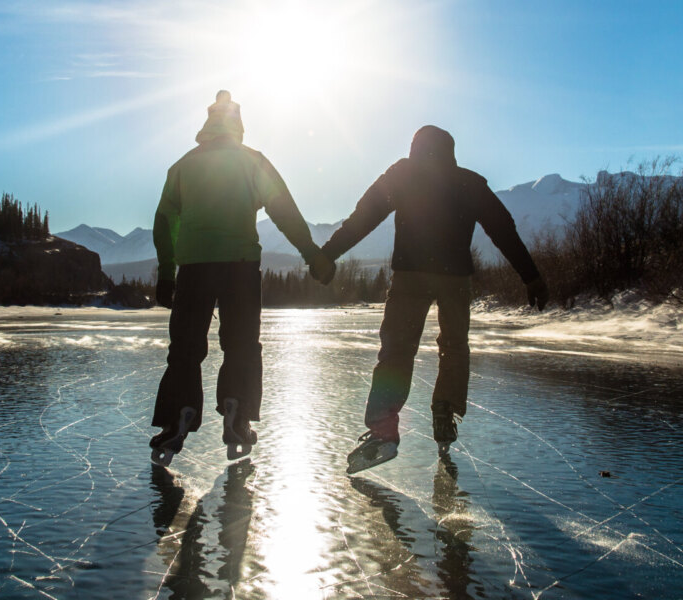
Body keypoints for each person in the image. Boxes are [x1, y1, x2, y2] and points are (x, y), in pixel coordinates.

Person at [318, 125, 548, 474]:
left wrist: (328, 253)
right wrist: (530, 275)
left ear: (415, 148)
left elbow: (362, 218)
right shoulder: (470, 182)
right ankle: (445, 412)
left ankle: (383, 428)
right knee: (454, 346)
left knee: (397, 349)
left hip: (410, 274)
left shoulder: (402, 174)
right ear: (450, 152)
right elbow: (504, 229)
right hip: (455, 278)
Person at [150, 90, 334, 467]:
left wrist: (167, 273)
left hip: (194, 268)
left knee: (185, 348)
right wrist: (312, 254)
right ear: (238, 124)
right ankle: (238, 413)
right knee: (242, 344)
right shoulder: (253, 162)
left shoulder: (183, 165)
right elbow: (284, 210)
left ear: (207, 122)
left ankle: (176, 417)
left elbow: (165, 221)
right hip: (241, 266)